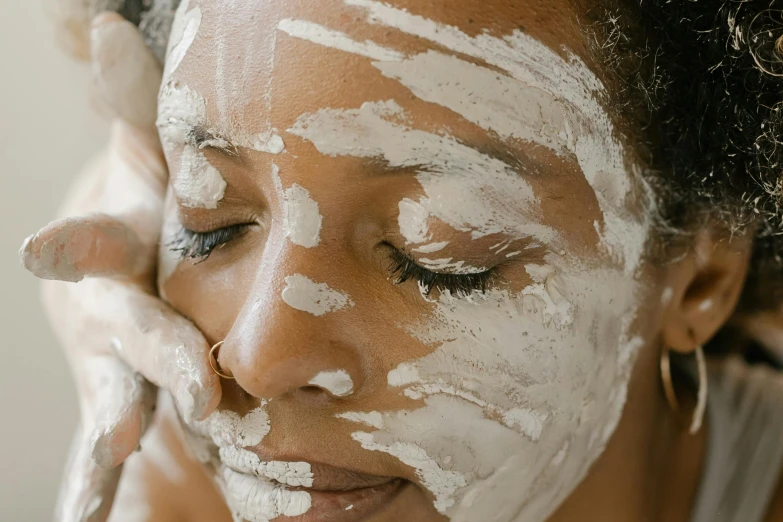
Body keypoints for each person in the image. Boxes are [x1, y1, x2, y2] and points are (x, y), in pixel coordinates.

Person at [21, 1, 783, 521]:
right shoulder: (168, 489)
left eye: (440, 256)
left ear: (703, 274)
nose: (256, 357)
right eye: (211, 222)